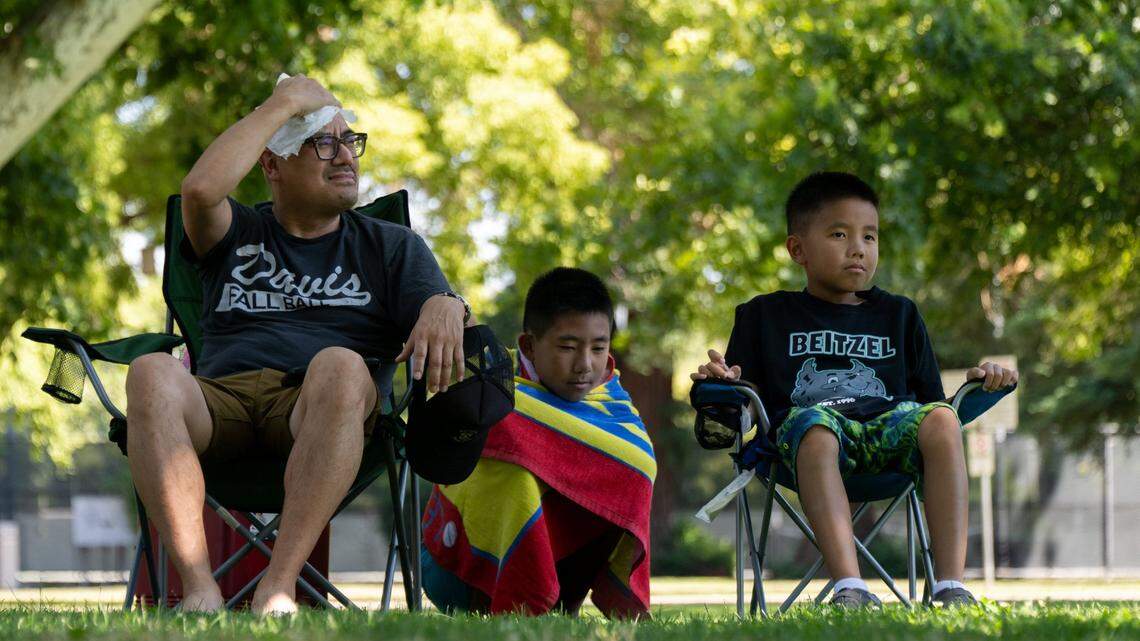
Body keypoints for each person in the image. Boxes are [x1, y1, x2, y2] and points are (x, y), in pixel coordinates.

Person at [125, 74, 470, 614]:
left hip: (319, 410)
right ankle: (198, 590)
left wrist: (447, 303)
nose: (346, 158)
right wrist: (283, 104)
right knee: (150, 371)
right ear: (272, 166)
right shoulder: (234, 233)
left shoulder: (389, 246)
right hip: (219, 406)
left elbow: (437, 305)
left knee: (338, 364)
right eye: (323, 143)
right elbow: (199, 190)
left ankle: (278, 587)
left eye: (349, 141)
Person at [691, 171, 1017, 608]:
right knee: (816, 428)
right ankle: (851, 587)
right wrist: (721, 384)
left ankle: (950, 585)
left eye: (870, 236)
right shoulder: (763, 316)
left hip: (888, 432)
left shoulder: (900, 315)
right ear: (797, 249)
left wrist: (983, 381)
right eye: (840, 233)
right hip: (804, 441)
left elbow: (932, 404)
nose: (858, 248)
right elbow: (734, 414)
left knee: (942, 419)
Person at [420, 267, 656, 618]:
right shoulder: (492, 390)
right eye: (568, 347)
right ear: (529, 345)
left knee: (626, 471)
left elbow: (638, 466)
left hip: (563, 580)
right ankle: (520, 603)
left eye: (598, 348)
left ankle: (556, 604)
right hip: (456, 567)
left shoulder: (612, 402)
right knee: (516, 477)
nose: (585, 365)